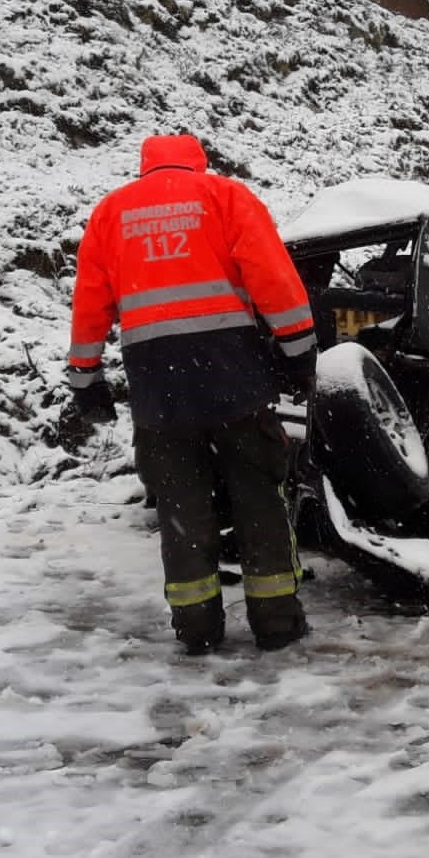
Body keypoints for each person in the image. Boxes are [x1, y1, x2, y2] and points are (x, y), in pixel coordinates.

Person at [67, 135, 319, 654]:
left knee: (182, 506)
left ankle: (197, 629)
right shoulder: (225, 197)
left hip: (158, 387)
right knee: (258, 496)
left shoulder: (111, 213)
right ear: (198, 161)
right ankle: (276, 622)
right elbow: (272, 276)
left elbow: (91, 301)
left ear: (145, 167)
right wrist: (299, 352)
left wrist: (85, 378)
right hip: (233, 375)